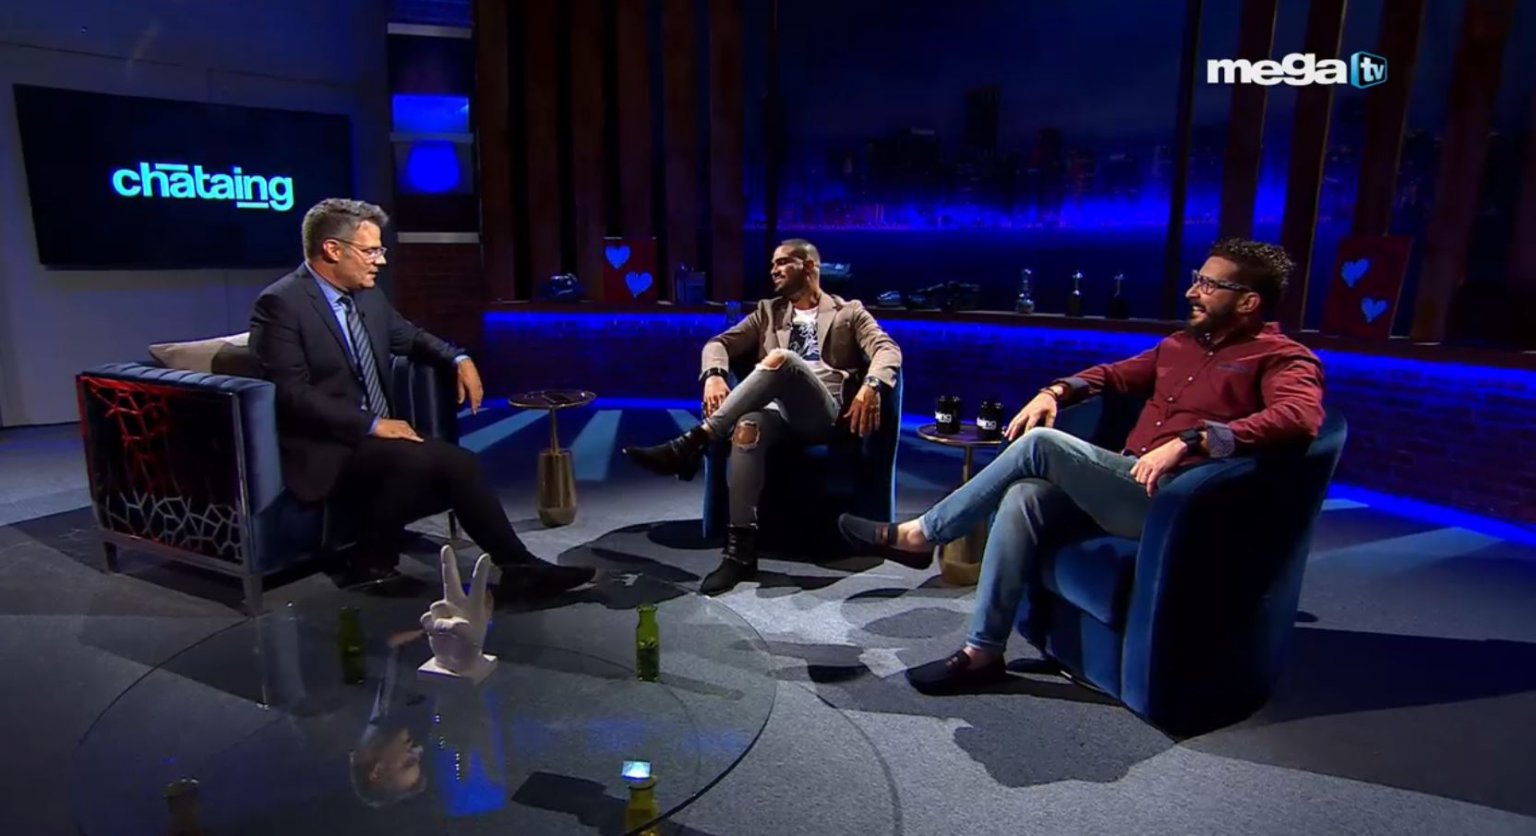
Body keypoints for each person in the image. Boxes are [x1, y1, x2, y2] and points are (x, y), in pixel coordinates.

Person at [839, 239, 1326, 694]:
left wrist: (1195, 439)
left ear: (1248, 301)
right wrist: (1054, 391)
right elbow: (1112, 375)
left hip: (1177, 501)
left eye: (1208, 284)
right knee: (1024, 496)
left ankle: (923, 535)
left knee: (1041, 445)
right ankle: (982, 653)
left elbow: (1300, 417)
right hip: (1126, 482)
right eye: (1197, 278)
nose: (1191, 291)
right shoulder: (1181, 345)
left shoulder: (1282, 357)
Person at [249, 198, 593, 595]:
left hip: (375, 440)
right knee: (423, 461)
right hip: (327, 444)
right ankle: (374, 563)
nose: (381, 261)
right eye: (370, 251)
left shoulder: (368, 296)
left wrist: (459, 358)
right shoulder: (281, 304)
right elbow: (292, 394)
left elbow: (410, 338)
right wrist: (372, 424)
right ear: (332, 249)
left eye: (381, 250)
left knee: (459, 462)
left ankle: (515, 566)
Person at [622, 239, 902, 595]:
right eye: (772, 264)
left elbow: (887, 349)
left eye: (783, 262)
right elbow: (718, 343)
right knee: (747, 428)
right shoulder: (767, 312)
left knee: (782, 359)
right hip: (777, 415)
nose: (773, 270)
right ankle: (740, 552)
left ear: (809, 266)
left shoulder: (849, 312)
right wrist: (714, 375)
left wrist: (872, 385)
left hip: (822, 413)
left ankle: (691, 443)